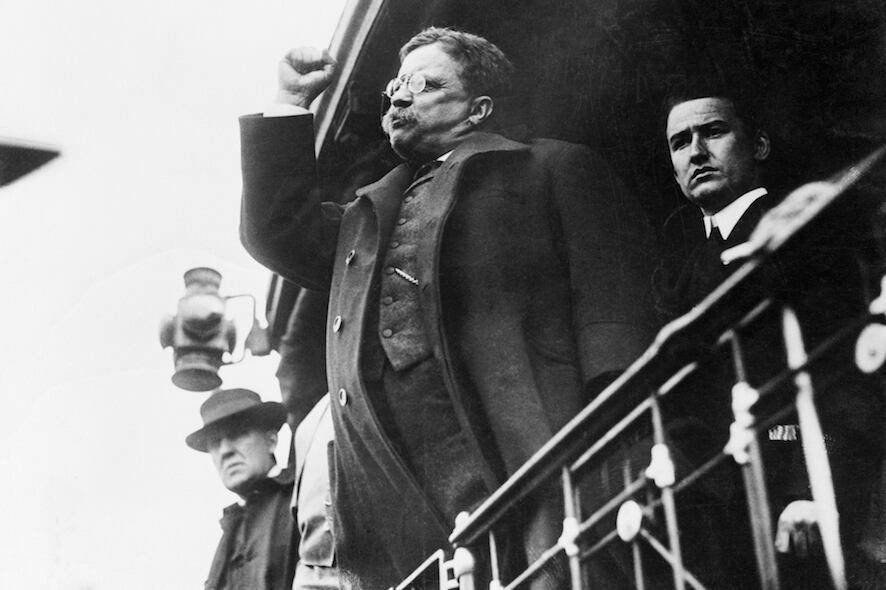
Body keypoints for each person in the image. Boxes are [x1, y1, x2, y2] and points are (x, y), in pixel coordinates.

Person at [239, 26, 653, 588]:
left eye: (424, 83)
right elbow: (278, 231)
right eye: (394, 87)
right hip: (399, 480)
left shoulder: (550, 169)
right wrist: (289, 103)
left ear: (478, 108)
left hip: (528, 444)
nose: (398, 97)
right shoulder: (365, 219)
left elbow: (610, 310)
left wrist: (618, 432)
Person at [659, 92, 885, 589]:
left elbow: (844, 366)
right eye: (680, 143)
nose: (696, 152)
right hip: (716, 518)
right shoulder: (681, 267)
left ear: (757, 145)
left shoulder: (807, 234)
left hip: (791, 505)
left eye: (713, 132)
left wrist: (815, 486)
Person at [186, 388, 296, 590]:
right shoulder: (230, 526)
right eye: (215, 442)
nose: (225, 451)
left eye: (237, 434)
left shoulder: (300, 497)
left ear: (271, 441)